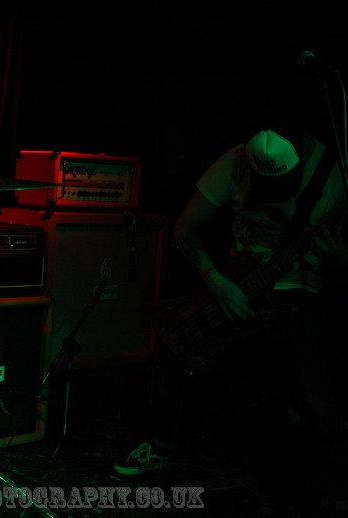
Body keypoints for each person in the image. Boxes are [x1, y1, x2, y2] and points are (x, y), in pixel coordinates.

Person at [113, 121, 348, 508]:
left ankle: (331, 489)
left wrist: (340, 260)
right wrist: (215, 280)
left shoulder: (332, 173)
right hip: (237, 286)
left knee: (316, 399)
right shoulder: (236, 161)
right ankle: (158, 445)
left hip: (297, 295)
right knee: (180, 344)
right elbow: (186, 227)